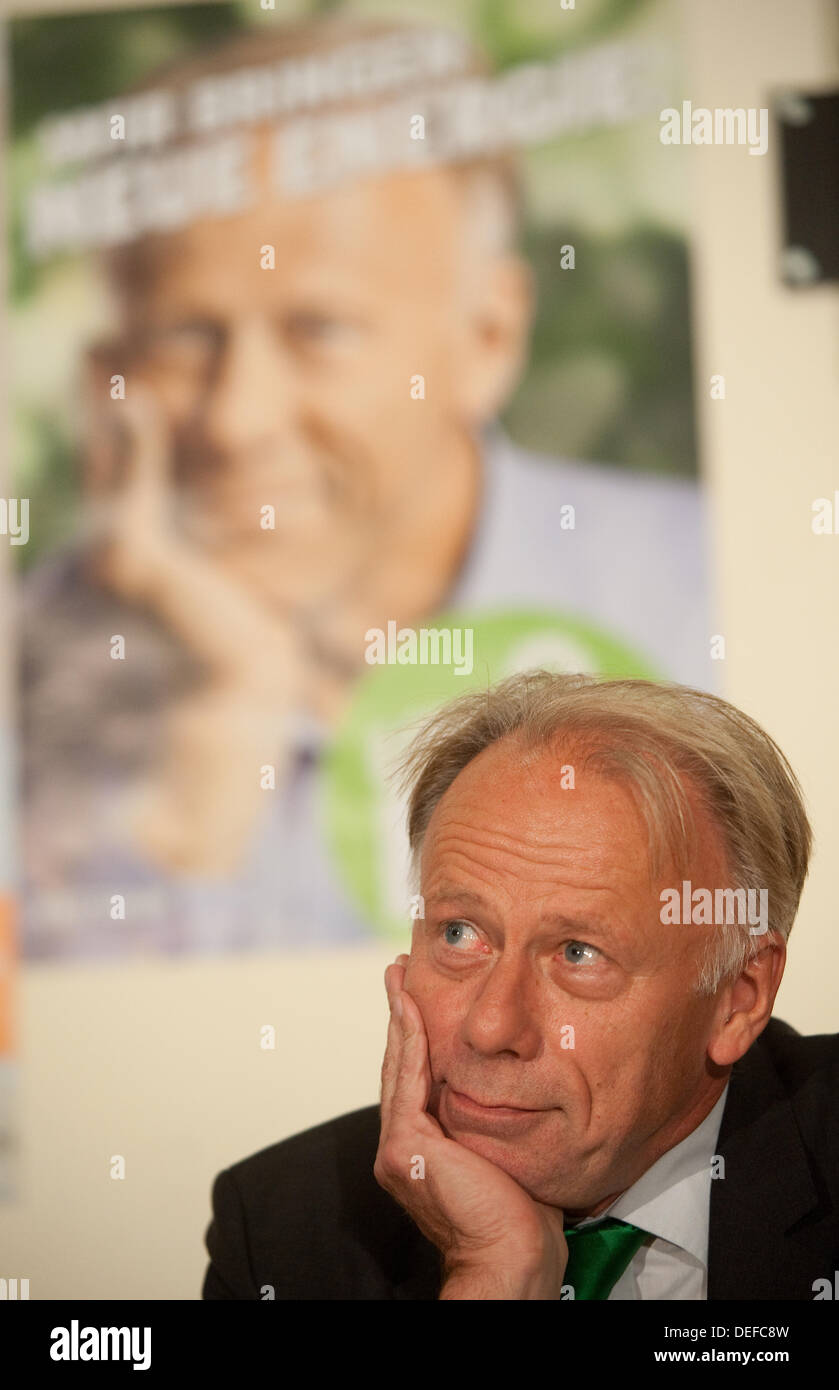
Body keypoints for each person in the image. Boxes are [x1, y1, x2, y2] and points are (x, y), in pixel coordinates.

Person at [20, 15, 712, 959]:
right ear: (111, 370)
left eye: (319, 329)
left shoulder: (703, 598)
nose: (236, 419)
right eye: (186, 335)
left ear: (486, 340)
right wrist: (224, 706)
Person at [202, 671, 839, 1300]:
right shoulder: (283, 1233)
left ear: (738, 999)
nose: (490, 1026)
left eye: (578, 953)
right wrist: (490, 1274)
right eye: (459, 935)